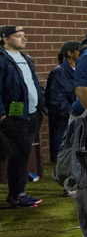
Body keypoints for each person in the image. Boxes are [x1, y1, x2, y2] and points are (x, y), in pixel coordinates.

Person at [0, 25, 44, 207]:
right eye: (19, 36)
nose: (24, 39)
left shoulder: (26, 58)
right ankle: (18, 194)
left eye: (24, 36)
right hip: (13, 116)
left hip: (31, 113)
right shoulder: (2, 59)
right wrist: (2, 114)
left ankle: (17, 193)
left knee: (22, 153)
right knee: (21, 152)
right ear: (4, 39)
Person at [44, 40, 81, 163]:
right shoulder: (59, 72)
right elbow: (56, 99)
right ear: (70, 53)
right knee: (65, 151)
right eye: (80, 50)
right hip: (65, 119)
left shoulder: (81, 70)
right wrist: (72, 113)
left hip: (79, 116)